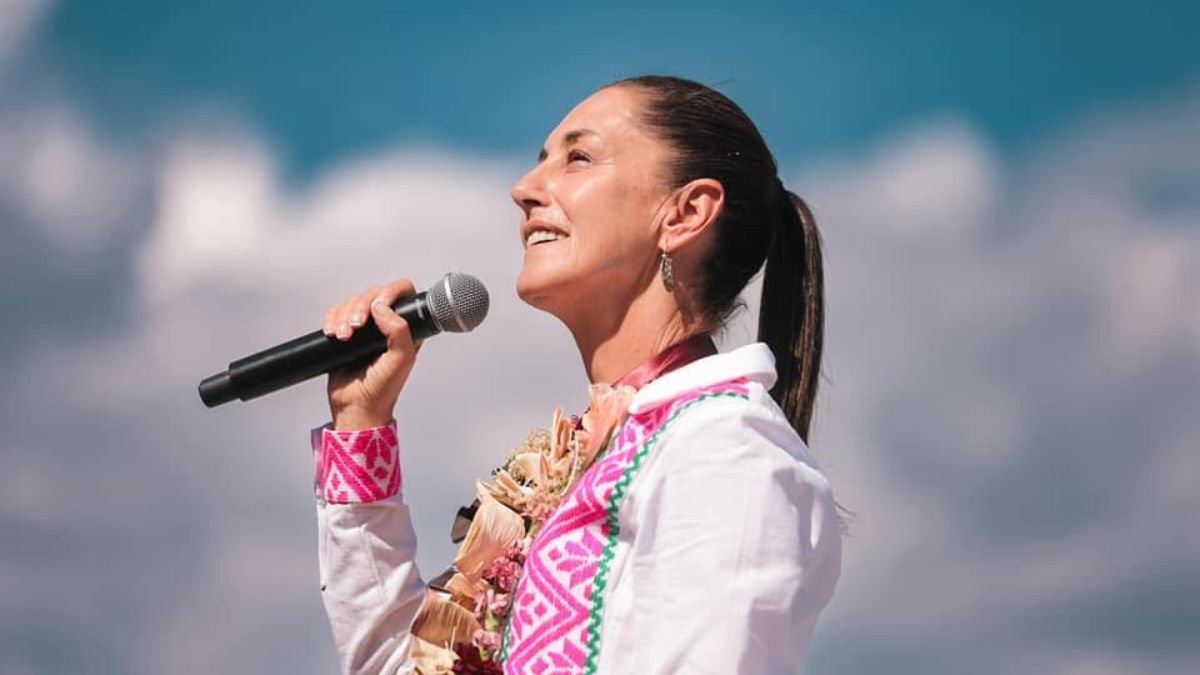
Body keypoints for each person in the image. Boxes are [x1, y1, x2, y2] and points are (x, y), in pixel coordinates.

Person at [309, 75, 842, 674]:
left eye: (578, 158)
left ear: (686, 213)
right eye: (539, 162)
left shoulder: (726, 450)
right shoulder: (600, 458)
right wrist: (361, 423)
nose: (524, 189)